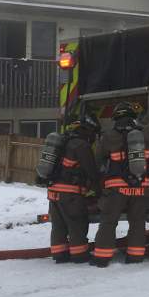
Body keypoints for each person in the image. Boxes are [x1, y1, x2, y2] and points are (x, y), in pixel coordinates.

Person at [92, 103, 149, 267]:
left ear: (115, 118)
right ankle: (135, 257)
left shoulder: (108, 136)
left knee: (109, 222)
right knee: (137, 222)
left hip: (116, 188)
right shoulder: (144, 135)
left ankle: (101, 258)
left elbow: (97, 161)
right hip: (141, 188)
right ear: (132, 117)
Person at [47, 113, 100, 264]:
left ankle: (59, 255)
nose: (93, 136)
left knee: (59, 226)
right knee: (76, 224)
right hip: (70, 194)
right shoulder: (81, 145)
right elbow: (91, 171)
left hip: (54, 193)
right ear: (86, 129)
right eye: (92, 132)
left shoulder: (63, 141)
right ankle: (79, 255)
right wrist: (100, 190)